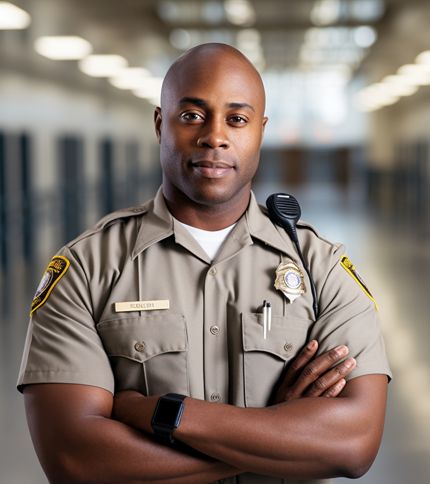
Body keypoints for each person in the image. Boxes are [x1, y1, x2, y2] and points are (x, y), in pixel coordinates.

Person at [18, 43, 391, 484]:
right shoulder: (87, 269)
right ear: (160, 124)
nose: (215, 136)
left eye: (237, 119)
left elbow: (353, 445)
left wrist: (161, 414)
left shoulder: (321, 268)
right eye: (192, 115)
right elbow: (75, 460)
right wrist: (279, 433)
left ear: (260, 131)